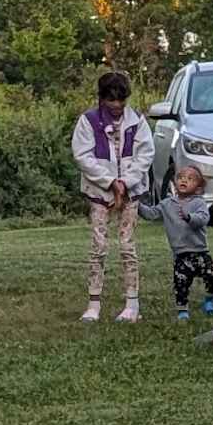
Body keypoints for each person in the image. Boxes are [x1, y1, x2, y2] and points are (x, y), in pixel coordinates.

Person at [68, 68, 154, 323]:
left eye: (121, 99)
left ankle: (132, 304)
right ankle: (93, 304)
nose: (117, 105)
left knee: (127, 246)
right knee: (99, 246)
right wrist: (109, 182)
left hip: (130, 192)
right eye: (111, 99)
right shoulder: (88, 121)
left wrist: (125, 183)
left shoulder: (137, 121)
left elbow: (145, 155)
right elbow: (83, 156)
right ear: (102, 98)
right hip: (99, 193)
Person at [157, 156, 213, 320]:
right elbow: (152, 213)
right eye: (180, 178)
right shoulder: (167, 204)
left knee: (212, 275)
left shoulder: (199, 203)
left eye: (190, 179)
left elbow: (203, 219)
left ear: (199, 188)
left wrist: (189, 217)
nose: (184, 181)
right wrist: (136, 206)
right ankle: (182, 310)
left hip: (200, 251)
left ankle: (209, 299)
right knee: (181, 282)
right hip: (180, 253)